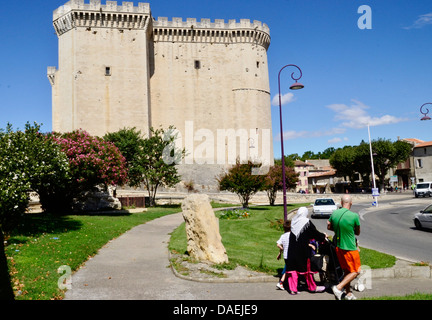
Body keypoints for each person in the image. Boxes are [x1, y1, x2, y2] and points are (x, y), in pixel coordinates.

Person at [285, 207, 327, 294]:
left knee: (293, 270)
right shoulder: (307, 223)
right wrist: (323, 236)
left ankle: (293, 289)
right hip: (303, 251)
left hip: (292, 250)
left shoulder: (293, 222)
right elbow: (314, 233)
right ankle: (312, 287)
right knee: (308, 270)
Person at [327, 194, 361, 300]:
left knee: (347, 270)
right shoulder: (354, 216)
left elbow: (329, 226)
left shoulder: (334, 213)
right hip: (350, 247)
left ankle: (348, 293)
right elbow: (358, 232)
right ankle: (338, 287)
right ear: (351, 203)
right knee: (356, 270)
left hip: (339, 247)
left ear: (341, 203)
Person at [276, 220, 291, 290]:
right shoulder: (292, 235)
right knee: (288, 269)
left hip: (285, 255)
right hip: (291, 255)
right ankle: (281, 282)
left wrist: (281, 251)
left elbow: (278, 244)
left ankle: (286, 282)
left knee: (288, 268)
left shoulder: (283, 236)